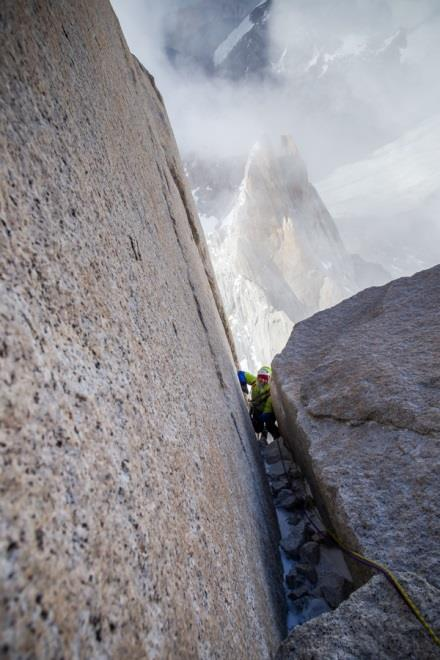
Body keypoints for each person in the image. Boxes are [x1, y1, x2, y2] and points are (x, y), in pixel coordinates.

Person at [237, 366, 280, 439]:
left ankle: (276, 436)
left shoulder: (270, 391)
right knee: (257, 429)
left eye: (265, 378)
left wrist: (263, 417)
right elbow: (241, 374)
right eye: (261, 377)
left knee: (269, 425)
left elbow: (268, 409)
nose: (263, 380)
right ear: (257, 377)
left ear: (269, 379)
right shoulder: (255, 382)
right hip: (257, 409)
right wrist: (243, 385)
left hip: (267, 412)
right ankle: (263, 431)